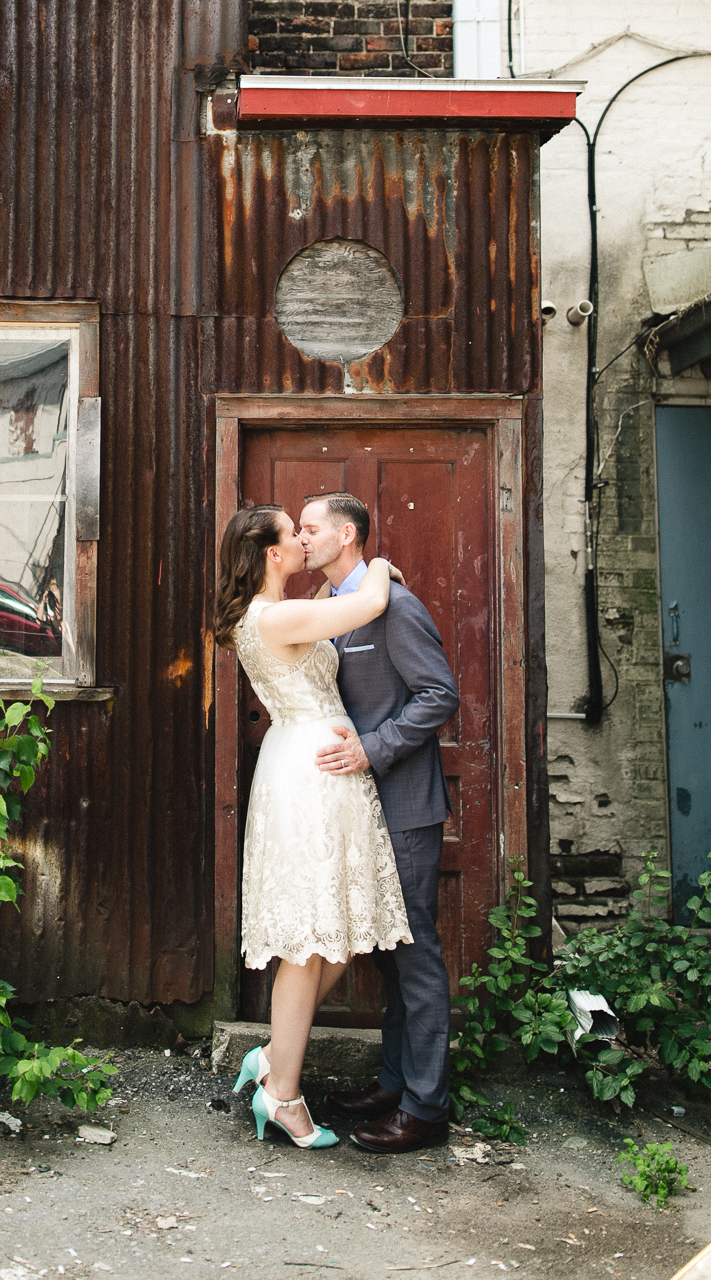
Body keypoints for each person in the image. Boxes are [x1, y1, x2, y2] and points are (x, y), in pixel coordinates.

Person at [214, 505, 411, 1151]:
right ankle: (283, 1095)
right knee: (311, 937)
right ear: (272, 553)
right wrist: (376, 562)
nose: (302, 541)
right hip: (310, 777)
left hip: (311, 768)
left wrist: (333, 583)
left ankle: (274, 1056)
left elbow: (325, 609)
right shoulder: (280, 617)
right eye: (291, 535)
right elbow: (370, 600)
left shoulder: (273, 613)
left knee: (341, 928)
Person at [297, 491, 460, 1155]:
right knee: (390, 958)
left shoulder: (396, 606)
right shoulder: (342, 608)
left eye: (311, 529)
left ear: (347, 533)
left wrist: (373, 747)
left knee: (415, 955)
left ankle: (426, 1107)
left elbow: (439, 694)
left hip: (407, 809)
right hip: (362, 810)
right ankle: (395, 1084)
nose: (302, 538)